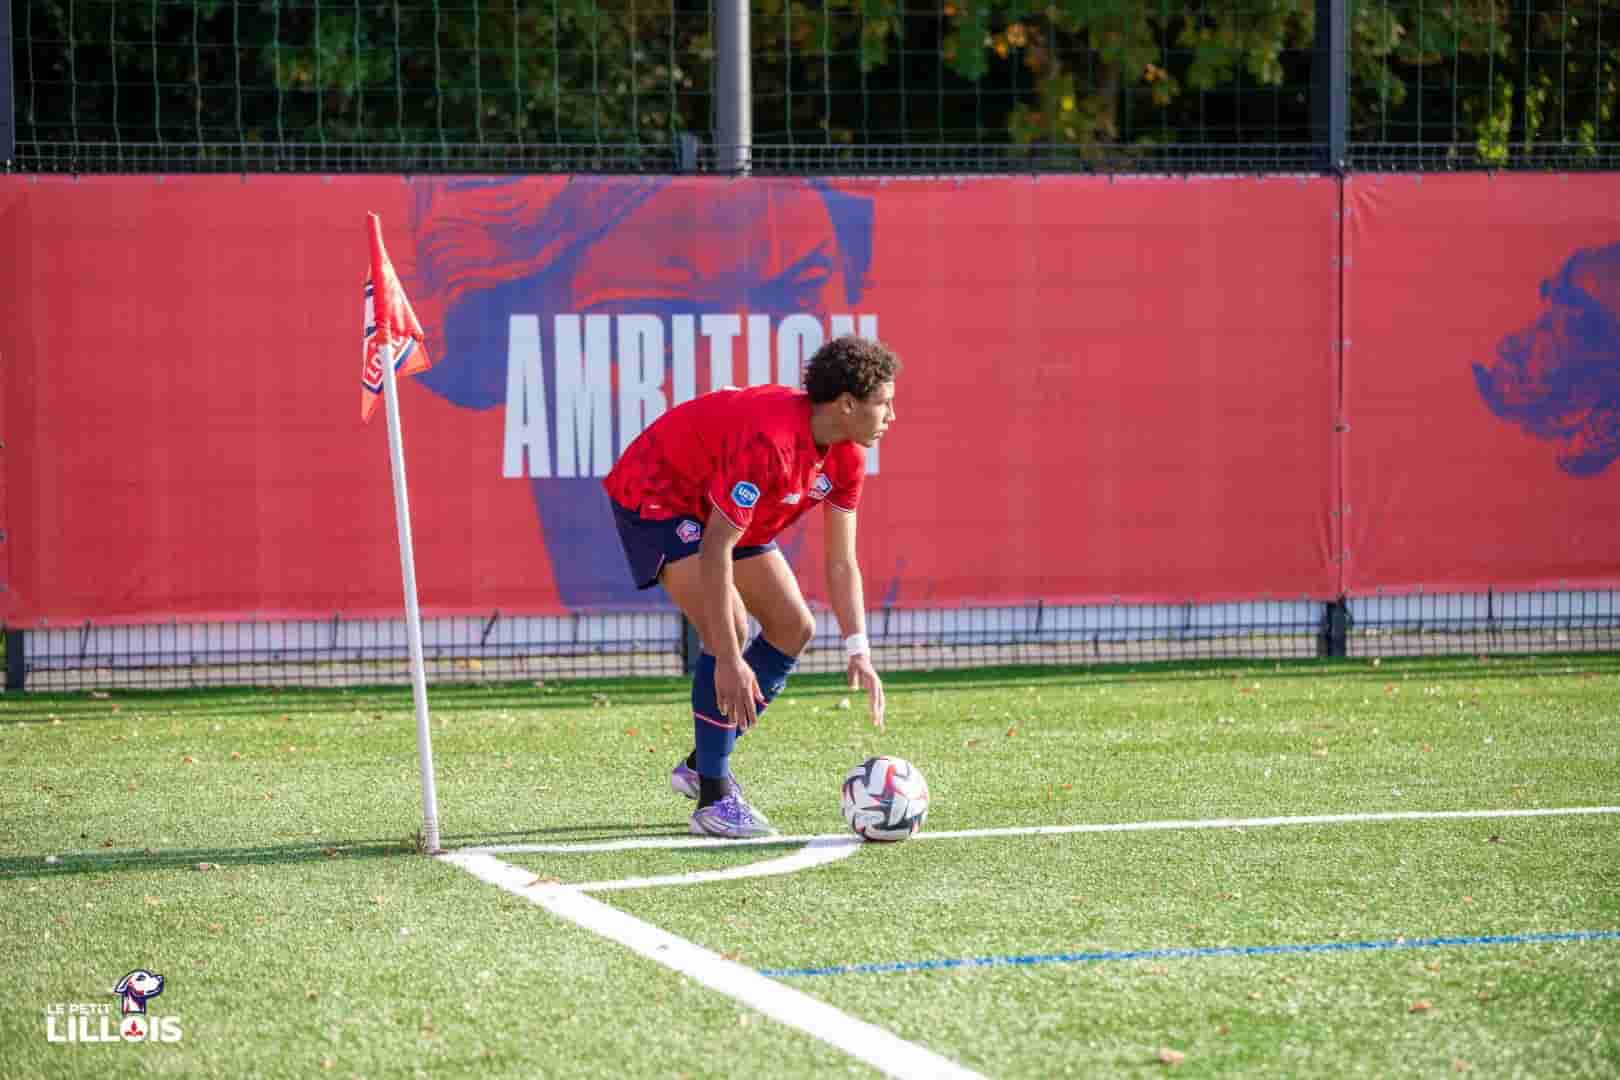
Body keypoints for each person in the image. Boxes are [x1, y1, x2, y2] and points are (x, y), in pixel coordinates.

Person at [603, 335, 901, 838]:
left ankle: (701, 762)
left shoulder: (848, 455)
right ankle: (713, 799)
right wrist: (728, 658)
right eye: (884, 403)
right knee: (731, 629)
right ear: (847, 404)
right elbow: (716, 548)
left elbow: (841, 561)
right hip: (660, 493)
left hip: (722, 509)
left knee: (793, 626)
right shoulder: (771, 442)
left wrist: (859, 649)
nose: (891, 415)